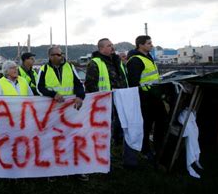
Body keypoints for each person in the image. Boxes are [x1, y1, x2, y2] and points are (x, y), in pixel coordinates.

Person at [36, 45, 87, 181]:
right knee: (53, 139)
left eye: (61, 54)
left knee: (73, 138)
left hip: (70, 111)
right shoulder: (44, 69)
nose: (60, 56)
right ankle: (53, 170)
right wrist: (53, 94)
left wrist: (80, 96)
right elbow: (39, 87)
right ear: (51, 57)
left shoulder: (69, 67)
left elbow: (79, 84)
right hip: (52, 111)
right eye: (57, 54)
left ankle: (76, 169)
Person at [84, 38, 133, 168]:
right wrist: (99, 101)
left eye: (112, 44)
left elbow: (123, 79)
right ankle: (104, 157)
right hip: (104, 103)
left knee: (122, 127)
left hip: (121, 100)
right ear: (101, 49)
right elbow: (90, 84)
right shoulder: (95, 63)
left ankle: (122, 156)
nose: (112, 47)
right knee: (105, 129)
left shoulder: (117, 61)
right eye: (109, 45)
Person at [127, 35, 166, 164]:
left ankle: (159, 147)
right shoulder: (135, 60)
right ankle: (145, 150)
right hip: (146, 100)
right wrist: (144, 96)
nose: (151, 45)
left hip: (156, 97)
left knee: (162, 122)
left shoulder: (148, 57)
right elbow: (133, 83)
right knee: (146, 126)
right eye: (149, 43)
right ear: (140, 45)